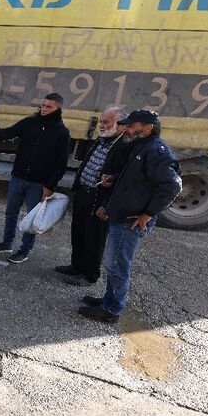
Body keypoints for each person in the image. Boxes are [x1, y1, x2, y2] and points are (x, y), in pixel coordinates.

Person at [78, 109, 182, 323]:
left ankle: (112, 310)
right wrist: (113, 180)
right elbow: (133, 181)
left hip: (132, 221)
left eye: (131, 125)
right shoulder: (141, 147)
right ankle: (108, 299)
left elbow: (172, 186)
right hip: (121, 215)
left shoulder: (157, 151)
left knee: (117, 264)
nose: (126, 128)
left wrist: (148, 214)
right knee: (112, 263)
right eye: (125, 125)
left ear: (147, 127)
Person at [0, 93, 71, 264]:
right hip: (18, 178)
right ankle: (6, 243)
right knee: (11, 212)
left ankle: (24, 251)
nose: (44, 109)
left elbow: (60, 164)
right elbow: (6, 134)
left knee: (32, 219)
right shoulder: (29, 123)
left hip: (38, 184)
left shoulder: (62, 133)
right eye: (43, 105)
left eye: (49, 107)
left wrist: (50, 186)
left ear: (58, 109)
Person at [56, 107, 131, 286]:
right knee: (79, 232)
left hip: (99, 198)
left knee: (94, 237)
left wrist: (107, 205)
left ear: (121, 126)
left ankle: (89, 274)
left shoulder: (124, 147)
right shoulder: (103, 139)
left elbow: (121, 179)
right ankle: (76, 266)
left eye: (106, 122)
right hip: (84, 192)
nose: (101, 126)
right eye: (101, 121)